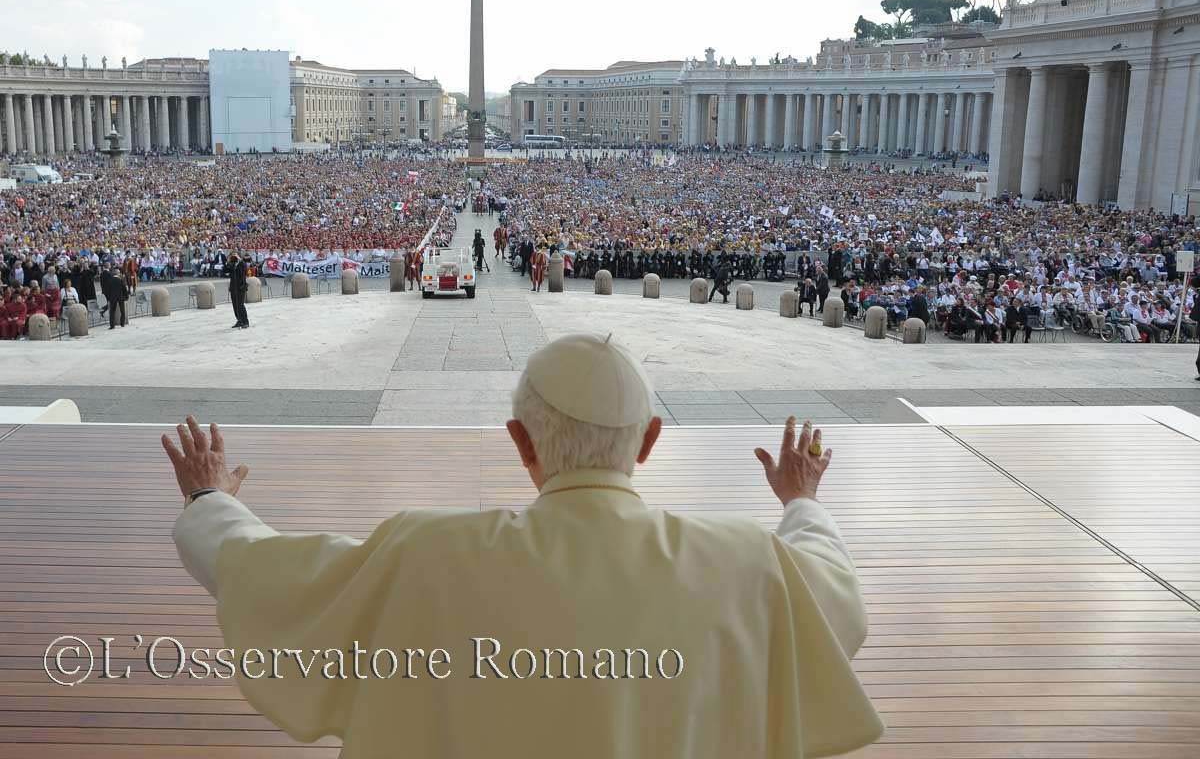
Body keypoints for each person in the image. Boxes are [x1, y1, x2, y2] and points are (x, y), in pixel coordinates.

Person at [165, 334, 882, 757]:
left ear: (521, 442)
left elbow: (259, 571)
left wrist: (210, 498)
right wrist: (801, 502)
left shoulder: (426, 553)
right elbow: (833, 589)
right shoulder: (748, 565)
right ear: (650, 440)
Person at [228, 253, 249, 329]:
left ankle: (245, 322)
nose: (234, 257)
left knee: (240, 305)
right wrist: (228, 261)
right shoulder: (232, 264)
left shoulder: (242, 264)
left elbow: (243, 270)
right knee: (235, 305)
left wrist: (239, 260)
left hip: (241, 287)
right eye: (233, 256)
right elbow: (225, 270)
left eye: (235, 255)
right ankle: (239, 320)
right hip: (233, 287)